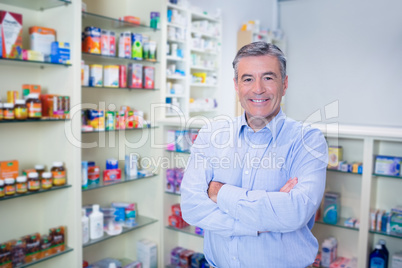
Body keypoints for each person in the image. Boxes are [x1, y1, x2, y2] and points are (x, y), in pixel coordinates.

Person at [180, 42, 328, 268]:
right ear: (236, 85)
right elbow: (192, 207)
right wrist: (262, 222)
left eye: (268, 78)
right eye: (247, 79)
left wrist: (220, 193)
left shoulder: (308, 140)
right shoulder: (212, 134)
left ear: (284, 83)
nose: (258, 88)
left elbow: (295, 212)